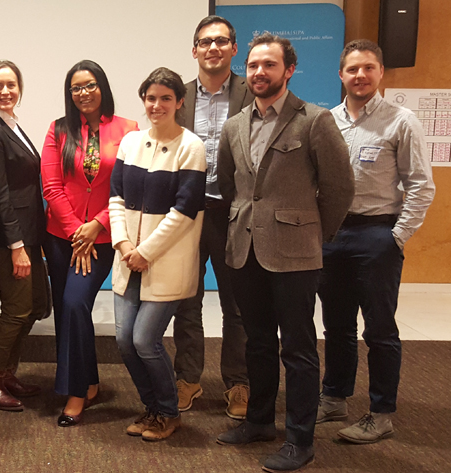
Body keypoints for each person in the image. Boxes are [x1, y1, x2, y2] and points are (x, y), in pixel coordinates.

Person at [215, 33, 354, 472]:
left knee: (297, 348)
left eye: (269, 65)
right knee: (256, 343)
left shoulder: (313, 120)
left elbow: (339, 188)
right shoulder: (235, 124)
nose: (259, 73)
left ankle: (300, 438)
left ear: (288, 70)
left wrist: (315, 234)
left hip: (296, 252)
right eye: (254, 65)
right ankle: (258, 421)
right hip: (244, 250)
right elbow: (227, 183)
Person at [317, 39, 435, 444]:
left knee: (380, 329)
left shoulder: (401, 121)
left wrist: (396, 237)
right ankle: (334, 398)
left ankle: (381, 413)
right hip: (333, 236)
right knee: (336, 324)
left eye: (368, 68)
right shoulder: (328, 121)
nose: (360, 76)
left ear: (381, 72)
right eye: (352, 69)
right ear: (341, 75)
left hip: (377, 234)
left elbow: (421, 186)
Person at [110, 67, 206, 442]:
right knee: (123, 340)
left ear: (180, 102)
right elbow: (115, 197)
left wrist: (146, 251)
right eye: (151, 98)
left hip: (164, 262)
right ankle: (152, 408)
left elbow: (184, 211)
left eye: (166, 98)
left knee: (144, 340)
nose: (157, 104)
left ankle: (168, 411)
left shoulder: (190, 147)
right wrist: (123, 245)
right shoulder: (131, 142)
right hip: (127, 259)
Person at [41, 60, 138, 427]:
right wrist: (75, 231)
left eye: (90, 85)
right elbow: (51, 186)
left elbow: (127, 185)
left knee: (75, 303)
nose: (84, 93)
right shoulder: (58, 129)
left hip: (104, 235)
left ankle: (75, 391)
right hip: (61, 237)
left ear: (103, 87)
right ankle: (90, 380)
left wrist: (94, 227)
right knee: (66, 311)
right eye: (76, 87)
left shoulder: (128, 130)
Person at [173, 15, 253, 419]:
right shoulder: (178, 95)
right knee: (186, 301)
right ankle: (187, 379)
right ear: (195, 50)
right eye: (205, 42)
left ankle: (238, 383)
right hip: (188, 214)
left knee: (236, 305)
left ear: (233, 49)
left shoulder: (251, 92)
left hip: (232, 213)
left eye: (221, 41)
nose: (213, 48)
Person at [0, 60, 49, 412]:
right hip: (10, 239)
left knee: (33, 307)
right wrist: (17, 246)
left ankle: (7, 372)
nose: (5, 91)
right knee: (18, 309)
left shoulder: (11, 124)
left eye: (11, 85)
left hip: (29, 235)